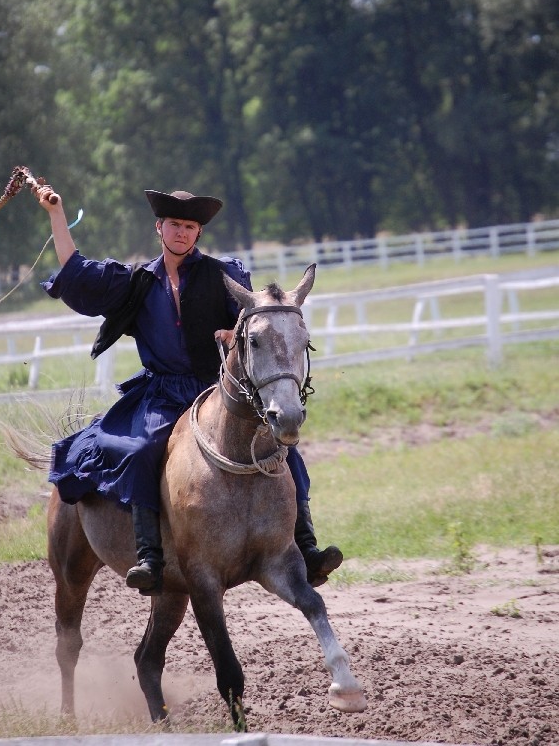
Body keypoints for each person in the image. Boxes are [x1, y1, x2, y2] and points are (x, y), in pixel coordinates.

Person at [36, 186, 343, 595]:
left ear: (198, 233)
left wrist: (233, 333)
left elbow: (253, 323)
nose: (182, 232)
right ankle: (149, 556)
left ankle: (306, 546)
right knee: (141, 449)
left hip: (216, 392)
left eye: (190, 226)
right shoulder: (138, 282)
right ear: (159, 228)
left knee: (284, 449)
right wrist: (57, 214)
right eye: (175, 225)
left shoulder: (225, 274)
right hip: (161, 396)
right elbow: (76, 271)